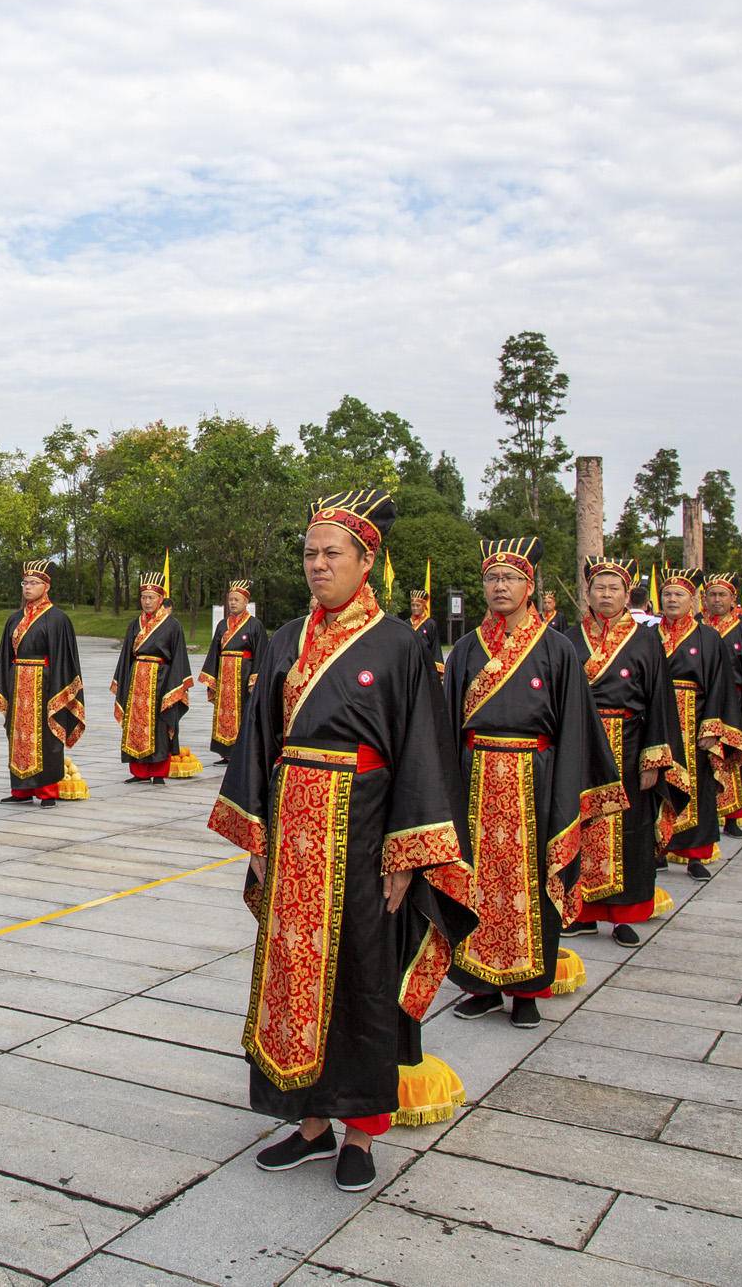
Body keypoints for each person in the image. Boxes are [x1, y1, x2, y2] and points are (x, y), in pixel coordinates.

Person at [209, 490, 475, 1193]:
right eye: (309, 552)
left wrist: (407, 854)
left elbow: (423, 750)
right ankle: (309, 1123)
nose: (317, 564)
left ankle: (362, 1133)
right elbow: (258, 739)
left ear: (367, 561)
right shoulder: (284, 639)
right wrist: (256, 830)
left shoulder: (398, 645)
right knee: (294, 973)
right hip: (294, 831)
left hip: (364, 835)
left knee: (364, 975)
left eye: (332, 553)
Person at [447, 537, 625, 1026]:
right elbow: (445, 724)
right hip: (475, 776)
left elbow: (574, 724)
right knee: (473, 881)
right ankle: (478, 985)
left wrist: (570, 791)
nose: (500, 586)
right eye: (492, 578)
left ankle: (528, 991)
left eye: (510, 578)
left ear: (529, 586)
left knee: (535, 882)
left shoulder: (556, 648)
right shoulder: (466, 649)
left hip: (536, 777)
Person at [567, 557, 681, 944]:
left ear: (626, 593)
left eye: (614, 587)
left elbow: (660, 700)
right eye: (599, 586)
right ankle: (580, 911)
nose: (606, 594)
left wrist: (654, 757)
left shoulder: (646, 639)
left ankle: (623, 915)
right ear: (588, 591)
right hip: (581, 741)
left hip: (629, 742)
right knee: (579, 825)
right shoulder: (568, 637)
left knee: (629, 829)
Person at [655, 568, 742, 880]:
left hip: (693, 716)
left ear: (693, 600)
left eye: (679, 594)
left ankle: (695, 854)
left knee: (698, 784)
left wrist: (711, 727)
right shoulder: (648, 635)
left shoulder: (707, 637)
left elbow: (719, 684)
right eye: (667, 594)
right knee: (658, 781)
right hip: (657, 718)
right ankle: (658, 848)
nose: (672, 599)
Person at [0, 561, 87, 805]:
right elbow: (5, 656)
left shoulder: (57, 619)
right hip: (18, 681)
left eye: (34, 583)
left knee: (47, 736)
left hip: (44, 686)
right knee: (18, 735)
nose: (28, 587)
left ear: (46, 586)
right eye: (25, 583)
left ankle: (47, 792)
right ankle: (21, 790)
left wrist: (57, 691)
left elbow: (64, 659)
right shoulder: (14, 619)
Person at [112, 572, 191, 783]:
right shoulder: (134, 625)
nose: (147, 602)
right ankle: (138, 771)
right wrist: (122, 682)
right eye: (144, 597)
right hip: (136, 677)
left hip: (161, 679)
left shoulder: (172, 625)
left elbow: (179, 658)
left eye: (151, 598)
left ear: (160, 598)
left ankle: (157, 772)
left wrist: (174, 687)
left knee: (159, 725)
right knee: (135, 725)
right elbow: (126, 657)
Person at [700, 573, 742, 837]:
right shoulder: (696, 627)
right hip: (702, 704)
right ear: (703, 598)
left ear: (733, 599)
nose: (716, 600)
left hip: (735, 702)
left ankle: (733, 816)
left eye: (722, 595)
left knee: (733, 759)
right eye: (712, 594)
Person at [199, 581, 264, 763]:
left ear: (245, 602)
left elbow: (260, 653)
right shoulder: (222, 625)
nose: (233, 603)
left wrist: (254, 678)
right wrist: (212, 678)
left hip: (243, 675)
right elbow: (214, 652)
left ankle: (241, 752)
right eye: (230, 600)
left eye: (237, 600)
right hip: (225, 675)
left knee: (244, 713)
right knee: (224, 713)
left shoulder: (254, 625)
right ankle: (226, 753)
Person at [404, 588, 443, 674]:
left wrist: (437, 669)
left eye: (418, 605)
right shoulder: (405, 624)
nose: (415, 608)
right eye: (413, 605)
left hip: (425, 665)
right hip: (409, 665)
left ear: (424, 606)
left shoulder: (430, 624)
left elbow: (435, 647)